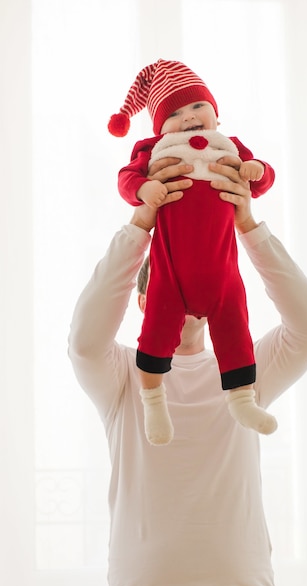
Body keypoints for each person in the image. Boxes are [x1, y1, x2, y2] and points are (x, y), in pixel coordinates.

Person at [67, 158, 307, 586]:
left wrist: (247, 226)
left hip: (242, 584)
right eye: (173, 281)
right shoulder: (123, 378)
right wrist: (141, 224)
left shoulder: (246, 374)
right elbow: (83, 341)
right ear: (143, 302)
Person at [108, 59, 277, 444]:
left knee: (235, 329)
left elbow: (264, 176)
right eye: (175, 113)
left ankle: (241, 399)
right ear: (159, 127)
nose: (188, 118)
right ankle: (153, 401)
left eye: (197, 106)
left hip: (222, 272)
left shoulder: (229, 147)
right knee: (152, 336)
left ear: (216, 113)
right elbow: (126, 178)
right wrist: (142, 190)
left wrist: (256, 170)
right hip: (169, 273)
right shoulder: (153, 150)